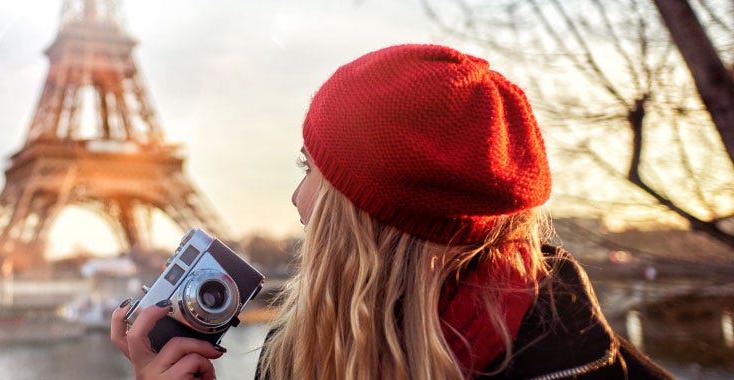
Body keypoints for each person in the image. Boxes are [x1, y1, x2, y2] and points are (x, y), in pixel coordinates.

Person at [110, 44, 673, 379]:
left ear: (364, 216)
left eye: (310, 170)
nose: (296, 199)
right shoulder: (292, 352)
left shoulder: (303, 355)